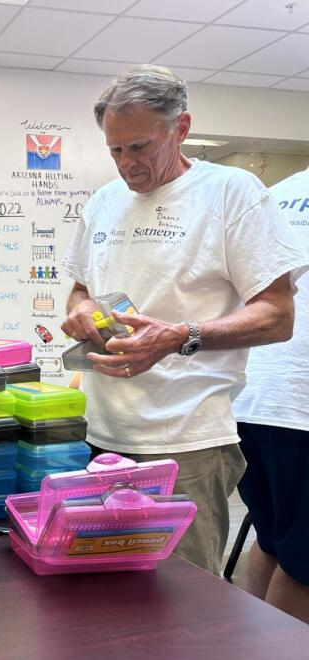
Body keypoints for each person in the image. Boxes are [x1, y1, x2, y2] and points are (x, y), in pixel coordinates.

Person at [60, 64, 308, 575]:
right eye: (115, 150)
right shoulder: (104, 202)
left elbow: (277, 316)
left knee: (183, 607)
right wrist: (82, 311)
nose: (127, 164)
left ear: (181, 127)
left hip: (188, 443)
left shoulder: (231, 193)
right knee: (101, 594)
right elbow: (79, 290)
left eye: (140, 146)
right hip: (98, 435)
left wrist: (180, 337)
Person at [231, 166, 309, 622]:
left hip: (249, 396)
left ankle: (240, 645)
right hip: (299, 402)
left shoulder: (276, 194)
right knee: (303, 565)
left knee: (272, 539)